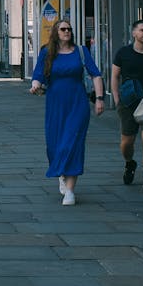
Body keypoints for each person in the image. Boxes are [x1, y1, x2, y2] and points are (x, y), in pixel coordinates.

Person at [30, 20, 105, 206]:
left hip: (77, 103)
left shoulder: (81, 51)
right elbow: (38, 74)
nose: (67, 32)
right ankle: (62, 172)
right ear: (56, 32)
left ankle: (70, 191)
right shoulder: (47, 52)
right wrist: (35, 85)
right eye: (63, 29)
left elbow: (95, 74)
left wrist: (100, 98)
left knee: (73, 143)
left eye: (69, 29)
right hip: (55, 104)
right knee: (55, 145)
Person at [111, 19, 143, 194]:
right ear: (134, 33)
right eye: (141, 30)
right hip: (128, 102)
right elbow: (115, 75)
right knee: (127, 142)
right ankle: (129, 163)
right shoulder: (123, 53)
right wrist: (117, 98)